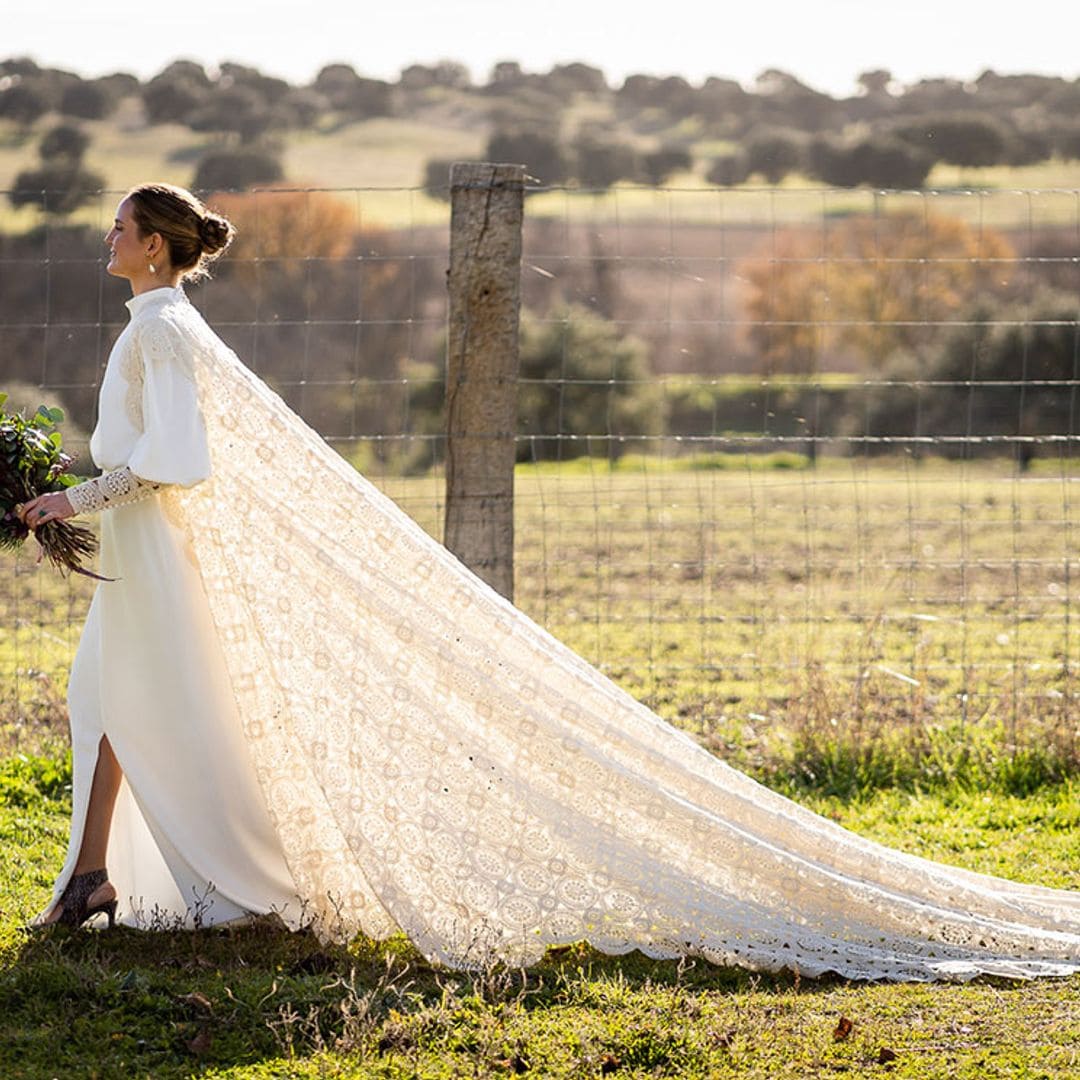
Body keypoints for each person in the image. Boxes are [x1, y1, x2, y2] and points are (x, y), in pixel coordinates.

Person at [17, 183, 1080, 980]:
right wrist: (70, 491)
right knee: (109, 702)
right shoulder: (157, 326)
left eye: (118, 227)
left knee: (119, 705)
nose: (106, 239)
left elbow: (180, 461)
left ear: (152, 245)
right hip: (149, 554)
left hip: (151, 549)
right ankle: (99, 877)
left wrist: (73, 499)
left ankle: (118, 879)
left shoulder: (157, 328)